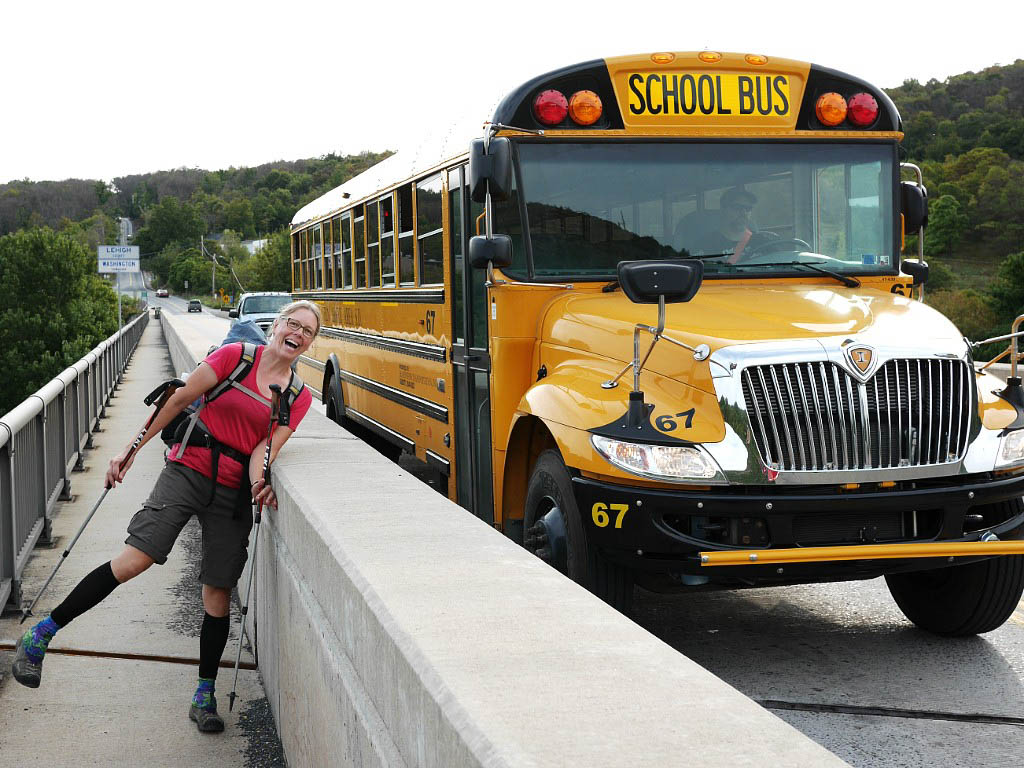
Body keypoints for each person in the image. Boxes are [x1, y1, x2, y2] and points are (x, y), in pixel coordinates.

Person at [12, 300, 320, 734]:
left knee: (217, 593)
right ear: (277, 328)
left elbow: (262, 450)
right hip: (188, 468)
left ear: (310, 343)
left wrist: (258, 483)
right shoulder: (234, 358)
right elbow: (177, 401)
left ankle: (204, 695)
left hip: (231, 493)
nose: (298, 333)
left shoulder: (297, 398)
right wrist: (129, 451)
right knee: (135, 560)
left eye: (307, 331)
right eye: (293, 323)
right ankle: (41, 633)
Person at [676, 186, 759, 262]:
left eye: (748, 208)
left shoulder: (760, 240)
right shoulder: (706, 245)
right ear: (723, 209)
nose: (744, 213)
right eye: (737, 207)